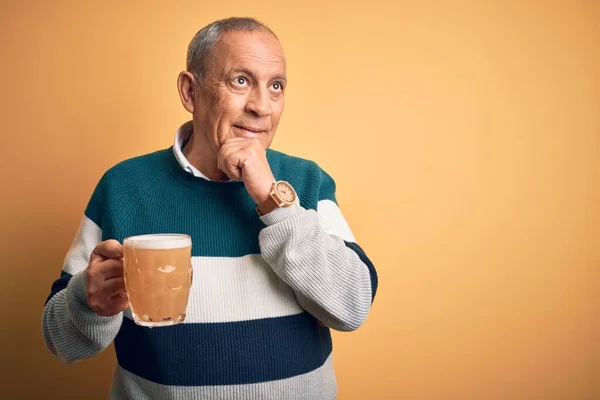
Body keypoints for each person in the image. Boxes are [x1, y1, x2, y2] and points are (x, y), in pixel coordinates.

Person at [42, 16, 378, 400]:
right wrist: (86, 299)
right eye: (241, 80)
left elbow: (352, 307)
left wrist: (273, 201)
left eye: (276, 86)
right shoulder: (123, 187)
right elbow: (62, 343)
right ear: (190, 92)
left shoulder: (305, 182)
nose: (262, 107)